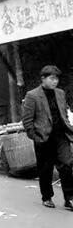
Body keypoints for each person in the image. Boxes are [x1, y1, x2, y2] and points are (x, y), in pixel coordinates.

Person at [22, 65, 73, 210]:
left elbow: (64, 113)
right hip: (43, 137)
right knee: (45, 169)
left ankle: (69, 198)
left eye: (56, 79)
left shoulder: (60, 93)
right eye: (52, 78)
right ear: (43, 79)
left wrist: (68, 127)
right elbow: (27, 120)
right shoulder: (32, 95)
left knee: (67, 164)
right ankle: (47, 197)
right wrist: (35, 136)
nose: (55, 81)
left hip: (61, 136)